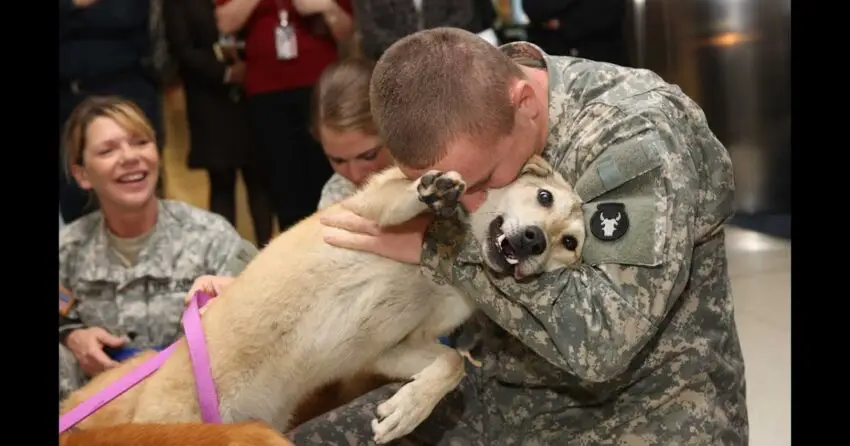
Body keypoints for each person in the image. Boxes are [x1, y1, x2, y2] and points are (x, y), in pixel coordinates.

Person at [290, 27, 749, 444]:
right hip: (500, 400)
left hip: (645, 415)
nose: (469, 200)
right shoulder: (459, 107)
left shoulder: (636, 137)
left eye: (481, 181)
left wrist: (438, 249)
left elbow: (604, 342)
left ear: (525, 104)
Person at [58, 96, 259, 400]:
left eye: (140, 142)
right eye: (108, 150)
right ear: (82, 174)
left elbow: (262, 322)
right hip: (101, 421)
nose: (129, 157)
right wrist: (72, 336)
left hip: (201, 416)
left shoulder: (211, 237)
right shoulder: (68, 249)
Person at [214, 0, 355, 232]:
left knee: (328, 175)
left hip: (320, 86)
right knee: (281, 183)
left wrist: (326, 7)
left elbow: (347, 32)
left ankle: (335, 239)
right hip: (265, 90)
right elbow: (225, 22)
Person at [164, 0, 274, 247]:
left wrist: (251, 66)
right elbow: (181, 49)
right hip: (208, 99)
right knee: (221, 181)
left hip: (254, 92)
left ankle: (267, 253)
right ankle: (223, 256)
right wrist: (225, 73)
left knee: (259, 180)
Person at [59, 0, 167, 224]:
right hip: (66, 100)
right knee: (74, 191)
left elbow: (127, 16)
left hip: (126, 95)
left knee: (134, 187)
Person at [312, 58, 394, 210]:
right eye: (338, 160)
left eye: (368, 156)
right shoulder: (337, 197)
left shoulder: (440, 175)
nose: (355, 175)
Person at [353, 0, 476, 61]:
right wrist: (409, 51)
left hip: (449, 55)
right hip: (394, 64)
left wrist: (433, 44)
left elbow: (464, 15)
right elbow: (369, 32)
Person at [523, 0, 630, 65]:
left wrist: (562, 23)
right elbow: (533, 8)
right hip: (551, 58)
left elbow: (607, 10)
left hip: (600, 60)